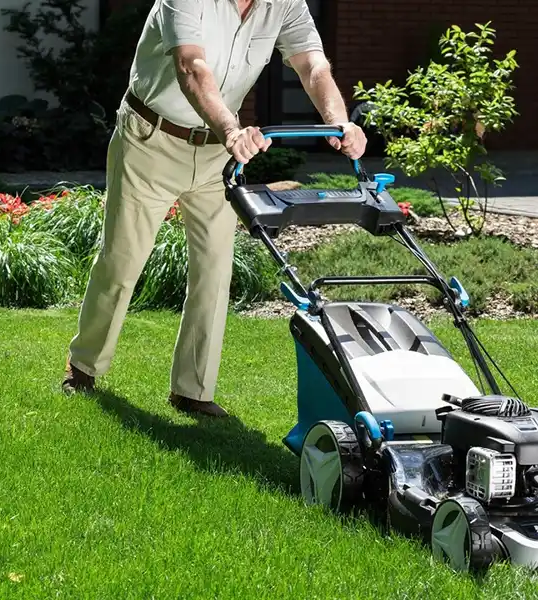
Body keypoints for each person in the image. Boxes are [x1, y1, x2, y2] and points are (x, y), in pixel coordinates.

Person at [62, 0, 367, 417]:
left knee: (214, 269)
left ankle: (193, 390)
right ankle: (83, 367)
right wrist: (231, 130)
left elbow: (313, 64)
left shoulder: (285, 3)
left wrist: (340, 121)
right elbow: (191, 66)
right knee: (123, 259)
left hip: (216, 154)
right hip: (151, 138)